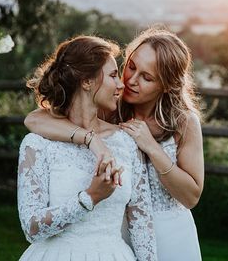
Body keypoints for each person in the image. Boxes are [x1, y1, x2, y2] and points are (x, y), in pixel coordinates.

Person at [25, 28, 204, 261]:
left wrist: (151, 147)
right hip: (118, 232)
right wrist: (92, 140)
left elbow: (191, 197)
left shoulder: (183, 121)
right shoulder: (109, 108)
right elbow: (35, 119)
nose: (131, 80)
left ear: (167, 85)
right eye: (131, 66)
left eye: (146, 77)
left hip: (170, 231)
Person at [17, 36, 157, 261]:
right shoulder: (37, 145)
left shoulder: (125, 143)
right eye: (112, 75)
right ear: (86, 81)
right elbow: (32, 228)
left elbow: (142, 224)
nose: (121, 84)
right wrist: (90, 197)